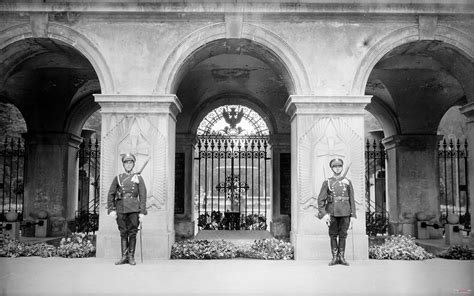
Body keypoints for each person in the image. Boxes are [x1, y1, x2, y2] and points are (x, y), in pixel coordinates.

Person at [107, 153, 147, 265]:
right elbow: (111, 194)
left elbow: (143, 195)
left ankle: (131, 257)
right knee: (123, 233)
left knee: (133, 233)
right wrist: (111, 209)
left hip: (134, 209)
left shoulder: (138, 178)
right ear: (123, 164)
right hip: (121, 208)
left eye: (130, 162)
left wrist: (142, 211)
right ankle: (124, 257)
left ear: (133, 164)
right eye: (126, 163)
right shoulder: (118, 178)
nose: (128, 165)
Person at [317, 158, 356, 266]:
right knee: (333, 235)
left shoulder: (347, 182)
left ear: (342, 167)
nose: (337, 168)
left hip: (345, 212)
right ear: (332, 168)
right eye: (335, 166)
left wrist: (353, 215)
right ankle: (334, 258)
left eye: (339, 166)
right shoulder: (328, 182)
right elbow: (321, 200)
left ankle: (341, 257)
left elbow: (352, 199)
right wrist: (324, 214)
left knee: (343, 235)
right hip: (332, 212)